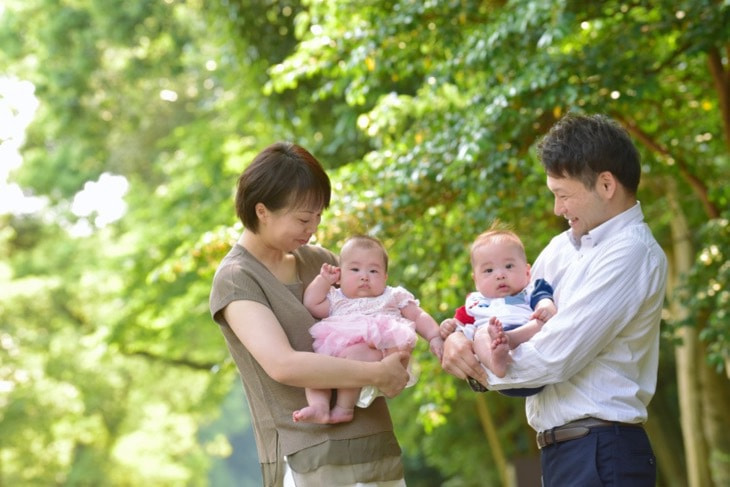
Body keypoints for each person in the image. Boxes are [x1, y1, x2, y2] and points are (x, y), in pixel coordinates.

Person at [441, 113, 668, 486]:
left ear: (606, 184)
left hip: (601, 451)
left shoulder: (631, 253)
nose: (556, 209)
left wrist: (474, 366)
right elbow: (506, 311)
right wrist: (459, 337)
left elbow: (553, 357)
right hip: (563, 452)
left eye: (563, 195)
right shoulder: (561, 248)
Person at [209, 142, 411, 487]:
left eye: (318, 217)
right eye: (303, 218)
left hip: (373, 446)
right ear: (262, 211)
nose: (313, 229)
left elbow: (383, 314)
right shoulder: (236, 279)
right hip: (307, 457)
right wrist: (377, 372)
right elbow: (283, 365)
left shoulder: (322, 262)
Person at [293, 235, 444, 424]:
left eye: (373, 271)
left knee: (354, 356)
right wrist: (323, 280)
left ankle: (343, 408)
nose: (364, 276)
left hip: (377, 354)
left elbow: (418, 316)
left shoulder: (392, 296)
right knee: (316, 368)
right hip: (339, 352)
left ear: (385, 277)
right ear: (340, 276)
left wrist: (435, 336)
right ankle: (319, 406)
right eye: (355, 269)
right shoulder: (337, 299)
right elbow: (311, 303)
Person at [439, 226, 555, 396]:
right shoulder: (474, 303)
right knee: (480, 334)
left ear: (527, 271)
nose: (500, 275)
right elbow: (458, 327)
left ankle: (509, 340)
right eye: (489, 270)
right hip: (499, 365)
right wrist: (448, 326)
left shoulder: (529, 290)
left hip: (526, 337)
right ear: (476, 279)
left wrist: (545, 307)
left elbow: (545, 301)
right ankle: (496, 361)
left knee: (540, 322)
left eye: (509, 266)